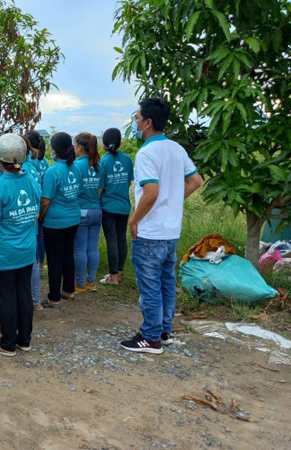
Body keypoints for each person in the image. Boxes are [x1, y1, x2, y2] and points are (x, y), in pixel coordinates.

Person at [121, 98, 202, 354]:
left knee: (150, 286)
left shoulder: (147, 152)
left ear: (148, 122)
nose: (135, 123)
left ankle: (151, 337)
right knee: (166, 282)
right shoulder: (176, 149)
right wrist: (173, 202)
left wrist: (135, 219)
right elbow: (195, 181)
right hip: (170, 231)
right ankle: (164, 330)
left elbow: (151, 192)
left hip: (150, 232)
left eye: (137, 118)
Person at [0, 134, 41, 356]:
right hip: (27, 250)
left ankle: (7, 344)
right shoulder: (32, 180)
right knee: (24, 294)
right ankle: (24, 340)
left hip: (5, 253)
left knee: (6, 297)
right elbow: (35, 213)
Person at [39, 132, 81, 307]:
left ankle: (54, 297)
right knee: (68, 255)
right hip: (73, 219)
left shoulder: (53, 170)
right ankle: (68, 290)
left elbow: (46, 200)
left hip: (55, 222)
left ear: (55, 149)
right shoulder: (76, 168)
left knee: (55, 259)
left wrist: (41, 217)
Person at [99, 128, 134, 286]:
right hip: (124, 206)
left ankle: (113, 277)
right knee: (121, 238)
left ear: (105, 143)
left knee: (111, 240)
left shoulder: (103, 162)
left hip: (108, 206)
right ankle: (119, 273)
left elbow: (101, 187)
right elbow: (128, 182)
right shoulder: (127, 159)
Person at [73, 132, 103, 292]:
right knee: (92, 248)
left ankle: (79, 283)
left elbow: (74, 191)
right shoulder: (99, 165)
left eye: (74, 145)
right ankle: (90, 281)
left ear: (79, 147)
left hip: (81, 211)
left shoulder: (76, 166)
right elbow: (100, 190)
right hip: (97, 210)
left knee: (79, 249)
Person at [21, 136, 43, 311]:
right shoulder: (33, 167)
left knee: (29, 262)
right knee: (33, 261)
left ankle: (33, 300)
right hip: (31, 221)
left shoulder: (23, 170)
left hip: (20, 223)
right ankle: (35, 300)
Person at [25, 131, 47, 268]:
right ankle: (41, 263)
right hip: (44, 199)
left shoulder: (30, 161)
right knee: (41, 236)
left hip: (35, 202)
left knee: (35, 235)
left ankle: (36, 263)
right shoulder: (43, 159)